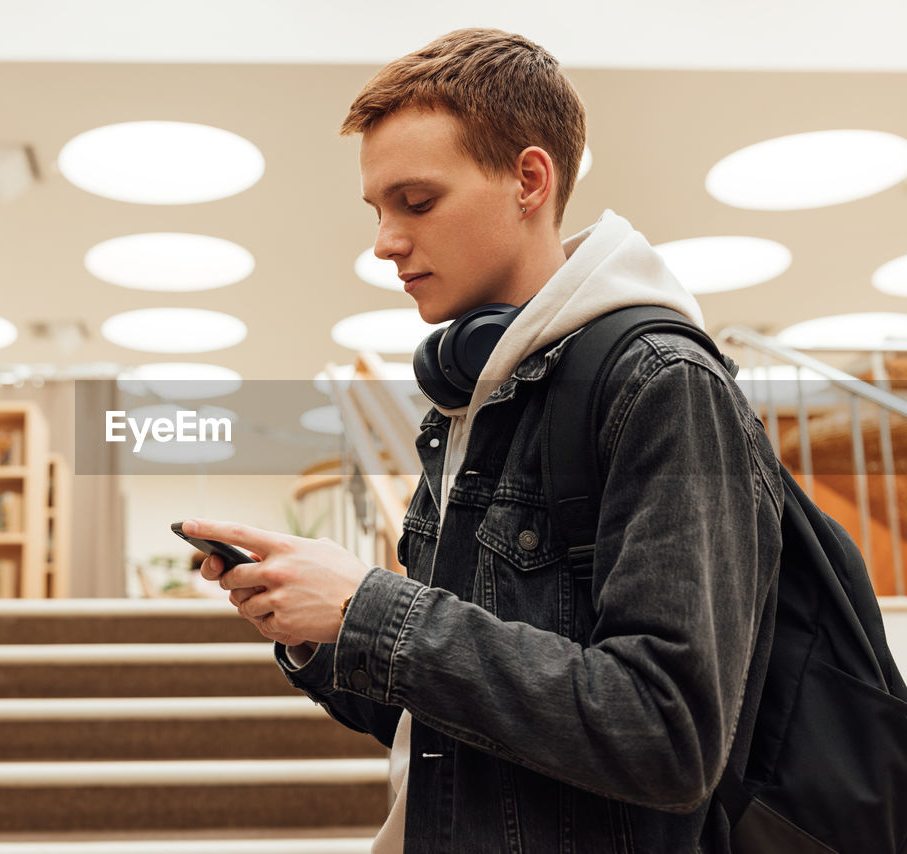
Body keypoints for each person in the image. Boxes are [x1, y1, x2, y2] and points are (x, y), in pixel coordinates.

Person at [183, 27, 782, 853]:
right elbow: (447, 708)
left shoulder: (661, 383)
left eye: (417, 202)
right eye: (379, 209)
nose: (385, 241)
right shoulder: (473, 402)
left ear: (529, 180)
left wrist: (372, 608)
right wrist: (318, 632)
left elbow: (666, 733)